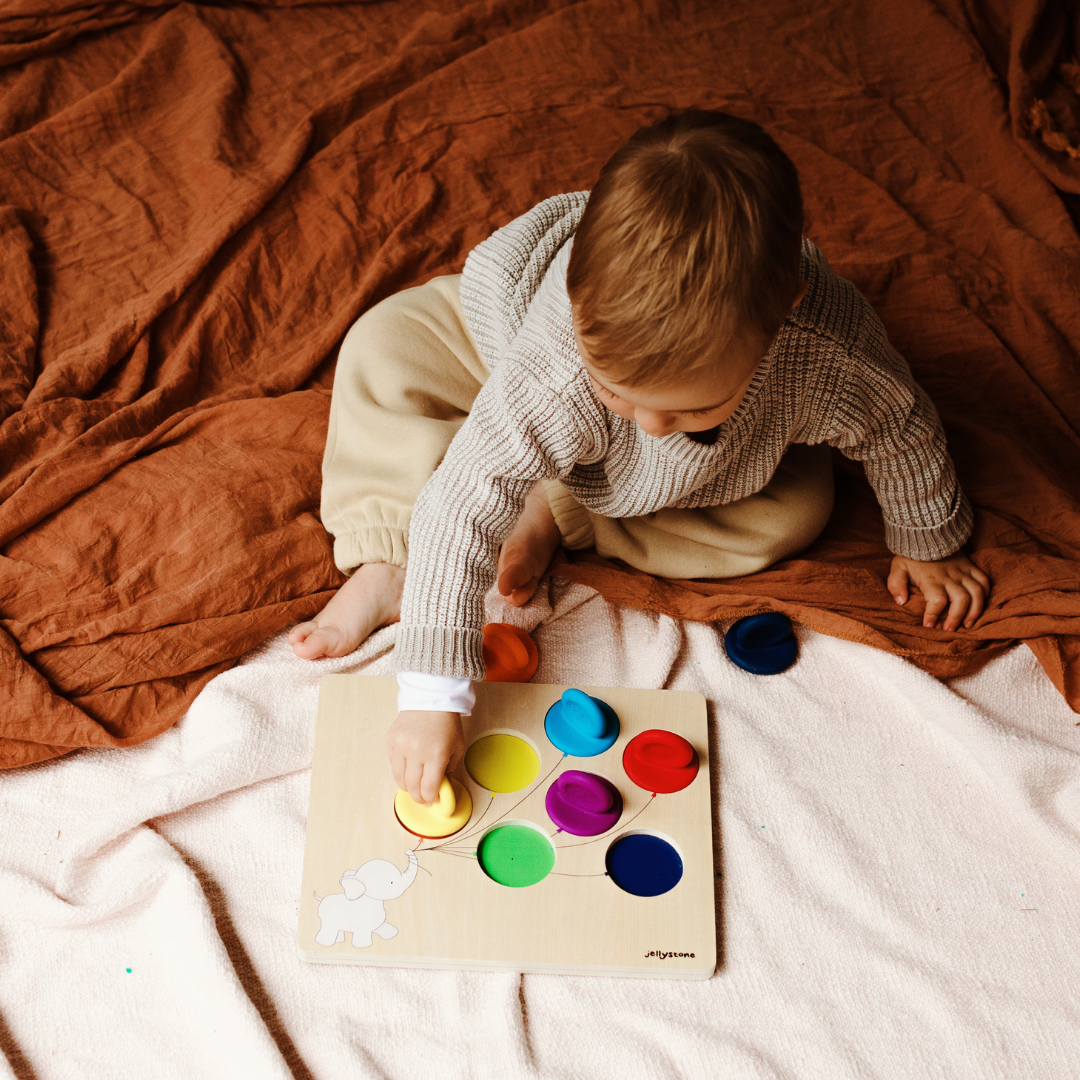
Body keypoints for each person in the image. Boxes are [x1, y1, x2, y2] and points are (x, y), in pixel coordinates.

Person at [290, 110, 990, 806]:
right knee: (384, 348)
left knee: (798, 510)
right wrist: (432, 693)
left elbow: (902, 427)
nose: (654, 426)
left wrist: (927, 541)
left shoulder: (828, 355)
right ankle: (393, 556)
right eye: (622, 392)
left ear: (782, 317)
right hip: (503, 362)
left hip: (699, 476)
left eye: (690, 409)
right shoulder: (558, 366)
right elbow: (463, 497)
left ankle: (555, 509)